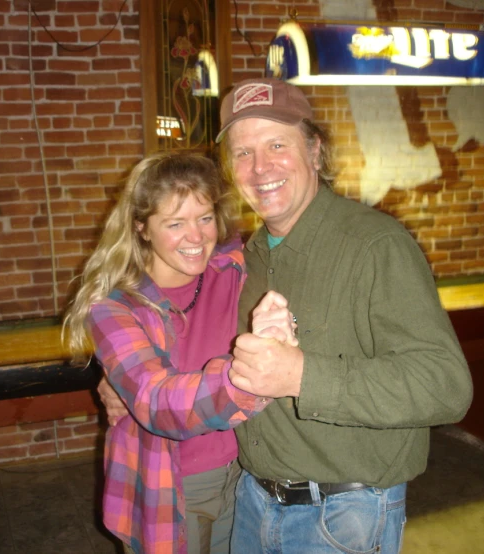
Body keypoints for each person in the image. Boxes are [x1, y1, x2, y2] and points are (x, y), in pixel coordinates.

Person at [216, 78, 474, 553]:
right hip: (252, 502)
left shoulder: (375, 245)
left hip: (341, 519)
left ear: (315, 151)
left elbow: (446, 385)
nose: (260, 167)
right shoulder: (246, 256)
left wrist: (302, 374)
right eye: (242, 152)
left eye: (277, 144)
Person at [63, 151, 296, 554]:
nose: (196, 237)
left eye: (204, 218)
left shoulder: (233, 266)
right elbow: (158, 402)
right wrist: (252, 374)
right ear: (142, 228)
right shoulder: (114, 309)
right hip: (171, 484)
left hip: (247, 473)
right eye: (175, 223)